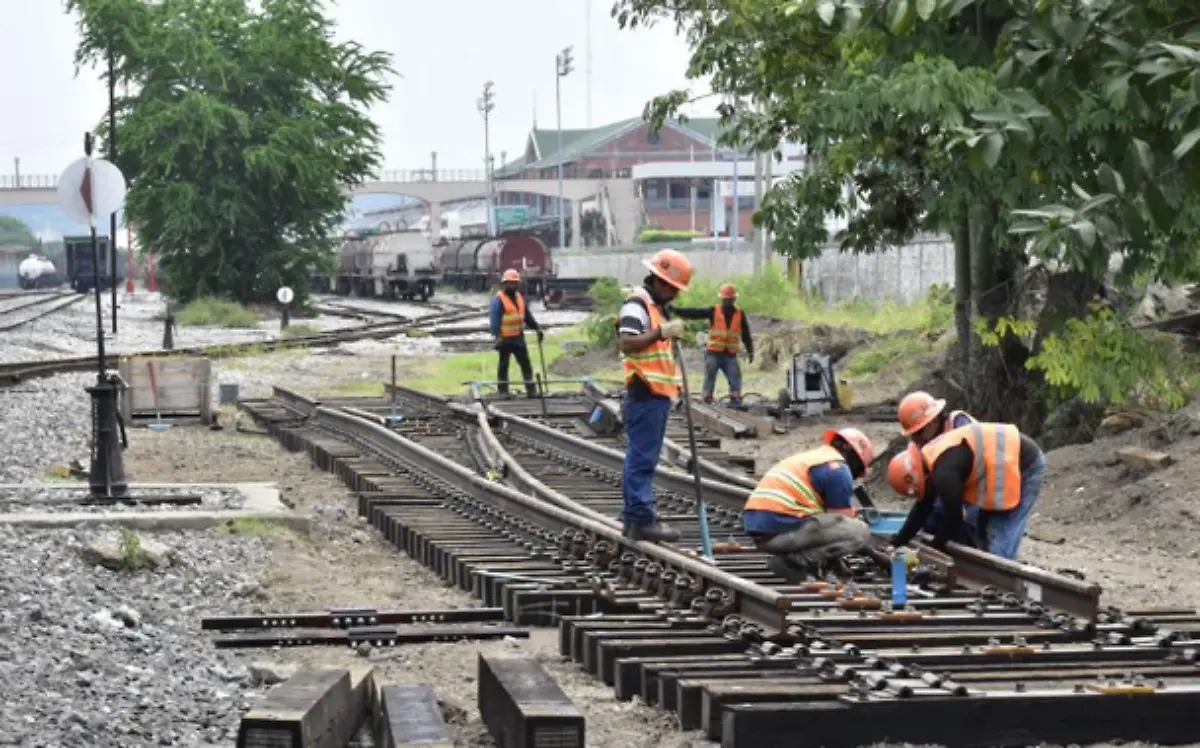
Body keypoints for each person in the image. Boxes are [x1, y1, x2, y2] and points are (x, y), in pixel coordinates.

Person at [617, 248, 693, 543]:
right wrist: (661, 331)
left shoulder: (655, 307)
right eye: (673, 288)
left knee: (640, 457)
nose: (674, 294)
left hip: (656, 393)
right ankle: (641, 518)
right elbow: (627, 343)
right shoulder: (638, 304)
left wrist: (676, 383)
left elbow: (658, 355)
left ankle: (633, 516)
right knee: (643, 458)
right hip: (645, 392)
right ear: (660, 280)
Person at [886, 421, 1046, 560]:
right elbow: (922, 508)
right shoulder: (931, 459)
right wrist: (897, 542)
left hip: (1025, 464)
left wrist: (933, 549)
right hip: (1001, 466)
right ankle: (988, 570)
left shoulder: (944, 472)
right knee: (981, 530)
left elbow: (953, 517)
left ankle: (1002, 581)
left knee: (1000, 531)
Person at [743, 427, 877, 581]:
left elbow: (830, 529)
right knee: (860, 530)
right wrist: (874, 554)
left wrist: (836, 563)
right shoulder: (838, 469)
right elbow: (843, 526)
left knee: (829, 522)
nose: (853, 475)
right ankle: (794, 562)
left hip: (763, 533)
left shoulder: (814, 458)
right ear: (851, 453)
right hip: (782, 529)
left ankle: (797, 560)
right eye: (858, 468)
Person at [897, 390, 980, 547]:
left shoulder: (959, 426)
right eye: (913, 435)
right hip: (962, 481)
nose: (917, 440)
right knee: (934, 518)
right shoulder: (930, 445)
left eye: (918, 433)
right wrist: (900, 541)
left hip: (985, 479)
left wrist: (937, 544)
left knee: (974, 527)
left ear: (932, 423)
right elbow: (926, 500)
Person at [674, 283, 754, 407]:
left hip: (730, 355)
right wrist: (676, 310)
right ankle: (706, 400)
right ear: (722, 299)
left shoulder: (739, 313)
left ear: (734, 299)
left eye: (730, 299)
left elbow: (746, 333)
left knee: (735, 378)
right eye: (726, 299)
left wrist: (750, 351)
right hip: (713, 353)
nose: (727, 301)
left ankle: (735, 402)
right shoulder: (714, 311)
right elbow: (696, 313)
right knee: (709, 378)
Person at [488, 269, 543, 398]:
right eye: (509, 283)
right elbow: (495, 320)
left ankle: (531, 391)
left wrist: (537, 328)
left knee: (526, 364)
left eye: (514, 283)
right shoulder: (498, 299)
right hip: (505, 338)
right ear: (504, 284)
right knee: (503, 365)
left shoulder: (519, 298)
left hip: (518, 337)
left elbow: (527, 316)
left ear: (517, 284)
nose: (512, 285)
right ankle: (503, 392)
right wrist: (497, 336)